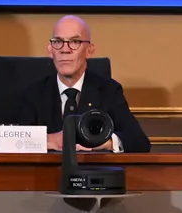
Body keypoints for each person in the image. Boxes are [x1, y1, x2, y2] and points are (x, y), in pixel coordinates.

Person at [16, 15, 150, 153]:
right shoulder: (33, 93)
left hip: (94, 171)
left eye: (74, 42)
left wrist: (104, 142)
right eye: (58, 41)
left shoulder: (108, 90)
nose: (65, 49)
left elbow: (139, 141)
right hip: (44, 173)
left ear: (89, 50)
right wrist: (47, 140)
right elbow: (13, 141)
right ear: (50, 50)